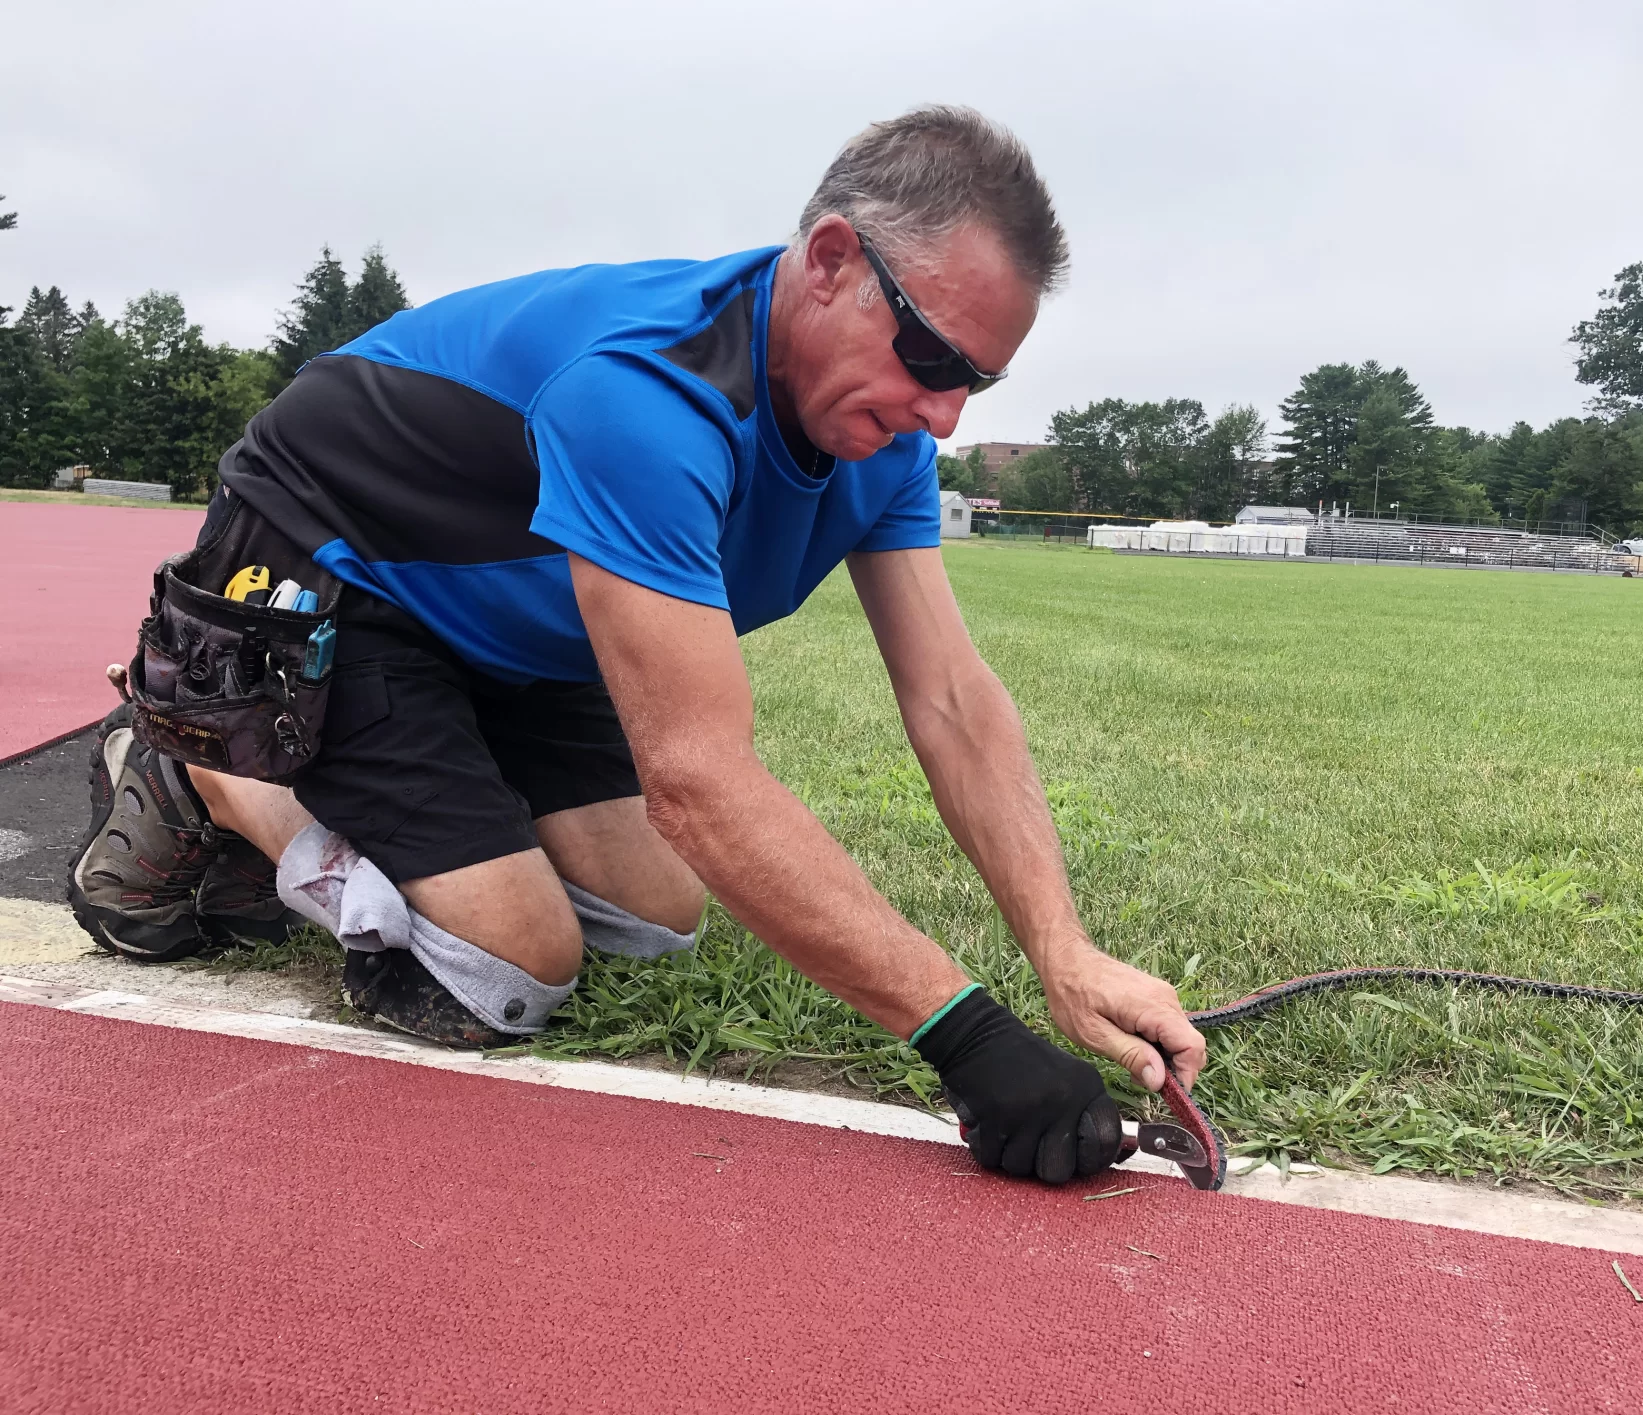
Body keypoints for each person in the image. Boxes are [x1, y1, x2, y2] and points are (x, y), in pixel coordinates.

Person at [68, 105, 1205, 1185]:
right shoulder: (651, 396)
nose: (946, 414)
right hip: (338, 570)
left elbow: (952, 698)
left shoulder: (885, 440)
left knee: (650, 919)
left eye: (978, 378)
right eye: (930, 356)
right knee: (513, 963)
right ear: (829, 260)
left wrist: (1063, 953)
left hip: (516, 621)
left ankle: (417, 780)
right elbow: (698, 779)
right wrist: (965, 1034)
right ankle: (197, 761)